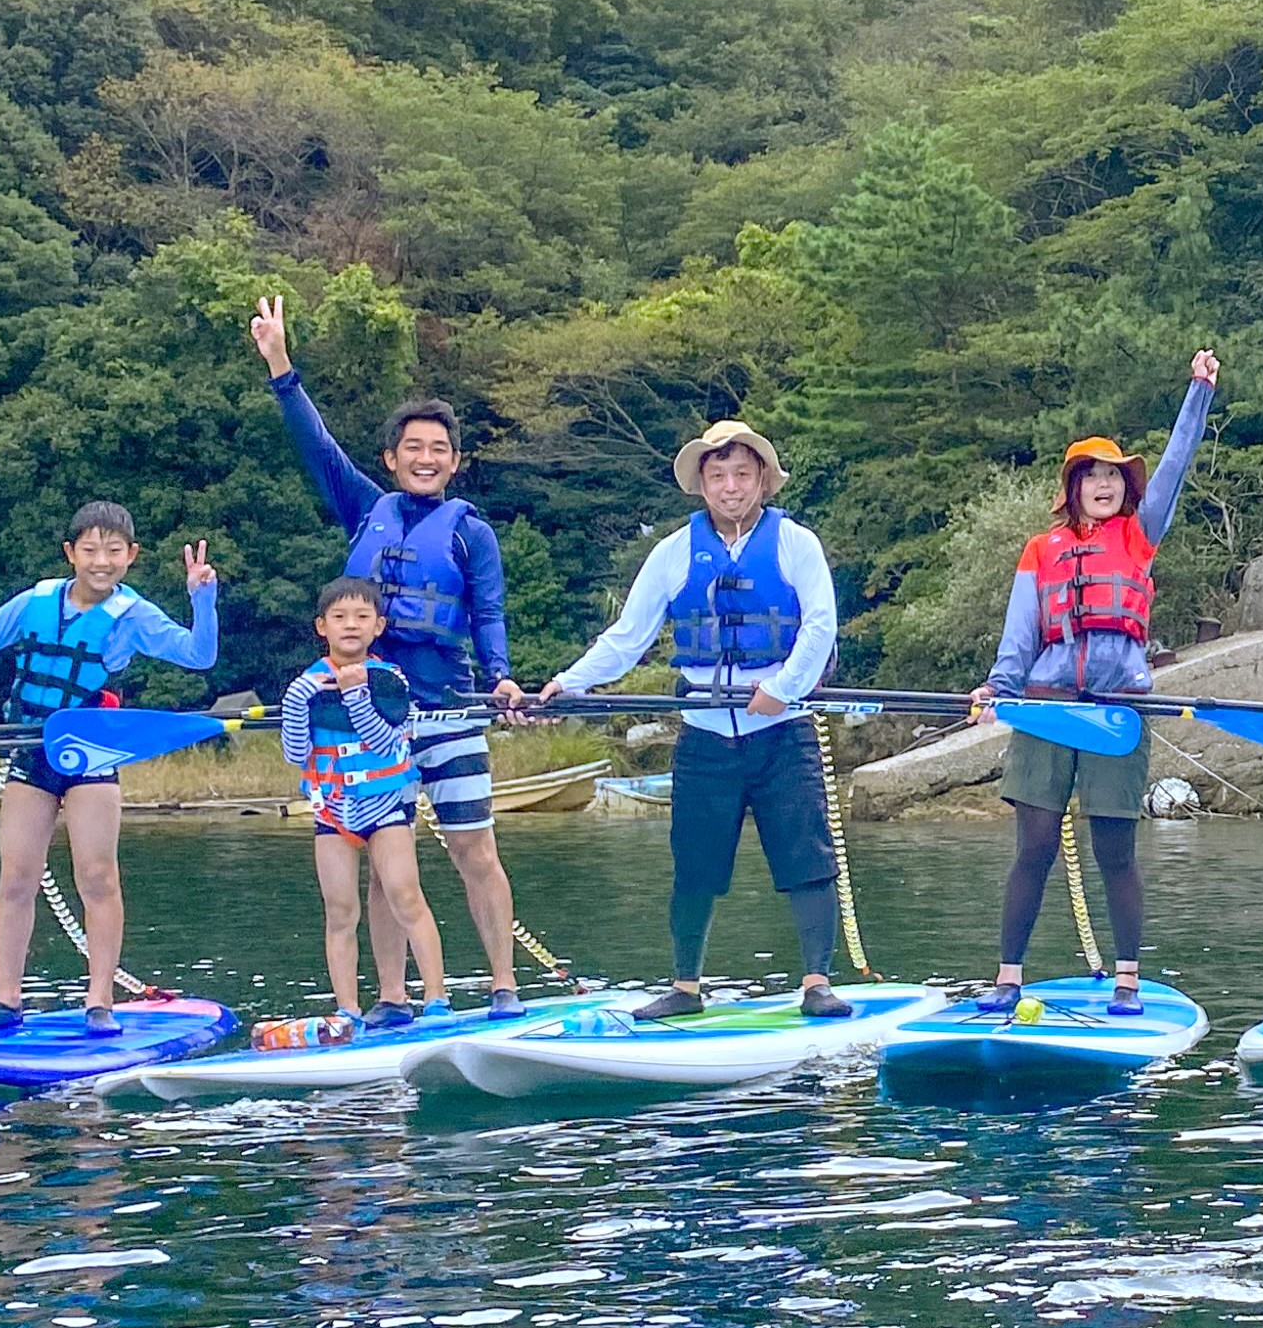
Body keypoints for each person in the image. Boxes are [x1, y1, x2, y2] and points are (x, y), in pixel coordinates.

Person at [250, 296, 526, 1016]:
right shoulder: (365, 507)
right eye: (414, 448)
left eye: (439, 449)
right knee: (381, 862)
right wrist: (281, 366)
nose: (425, 458)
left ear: (454, 461)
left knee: (475, 851)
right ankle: (395, 997)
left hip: (448, 710)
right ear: (392, 458)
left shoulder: (471, 532)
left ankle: (502, 984)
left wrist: (500, 677)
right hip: (368, 722)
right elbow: (317, 447)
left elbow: (488, 612)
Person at [532, 418, 849, 1019]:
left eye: (742, 475)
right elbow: (628, 636)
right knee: (695, 863)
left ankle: (816, 982)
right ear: (702, 485)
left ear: (763, 480)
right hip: (705, 728)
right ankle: (685, 987)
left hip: (782, 728)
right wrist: (569, 681)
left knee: (805, 855)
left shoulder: (795, 543)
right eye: (718, 476)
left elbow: (819, 626)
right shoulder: (674, 552)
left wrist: (783, 688)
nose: (731, 487)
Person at [0, 505, 218, 1034]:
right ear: (70, 553)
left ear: (131, 556)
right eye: (89, 550)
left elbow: (199, 655)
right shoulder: (34, 603)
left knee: (98, 876)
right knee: (16, 877)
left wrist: (202, 599)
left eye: (114, 551)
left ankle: (100, 1001)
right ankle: (6, 999)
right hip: (30, 752)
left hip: (91, 755)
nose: (101, 562)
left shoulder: (133, 616)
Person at [964, 351, 1220, 1017]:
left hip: (1118, 709)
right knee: (1035, 845)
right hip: (1047, 706)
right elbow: (1020, 633)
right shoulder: (1040, 550)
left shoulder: (1139, 535)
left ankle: (1127, 978)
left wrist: (1198, 391)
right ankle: (1008, 977)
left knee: (1114, 847)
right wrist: (998, 688)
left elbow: (1176, 463)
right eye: (1092, 475)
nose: (1104, 484)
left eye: (1113, 475)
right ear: (1073, 486)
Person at [281, 577, 445, 1027]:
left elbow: (385, 742)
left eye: (361, 617)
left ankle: (435, 999)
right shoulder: (306, 685)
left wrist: (354, 693)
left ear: (378, 626)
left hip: (385, 806)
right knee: (340, 911)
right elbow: (295, 752)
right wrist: (298, 701)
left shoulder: (390, 680)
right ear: (322, 627)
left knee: (405, 896)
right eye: (339, 617)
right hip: (333, 811)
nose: (350, 625)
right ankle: (347, 1010)